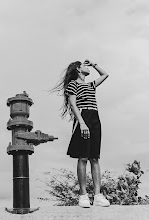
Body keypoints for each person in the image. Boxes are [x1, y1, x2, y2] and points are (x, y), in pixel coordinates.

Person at [52, 59, 110, 208]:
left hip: (95, 118)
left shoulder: (90, 85)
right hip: (82, 117)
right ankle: (83, 195)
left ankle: (97, 195)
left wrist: (94, 64)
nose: (87, 67)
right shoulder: (73, 84)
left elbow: (105, 74)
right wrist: (82, 123)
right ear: (78, 69)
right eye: (84, 66)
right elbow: (73, 104)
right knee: (83, 156)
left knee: (95, 157)